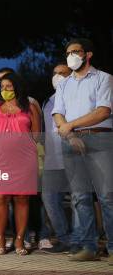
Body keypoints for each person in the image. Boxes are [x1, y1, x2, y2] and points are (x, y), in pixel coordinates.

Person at [52, 38, 112, 263]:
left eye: (75, 52)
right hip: (71, 141)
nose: (71, 56)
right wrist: (69, 133)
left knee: (107, 197)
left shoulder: (104, 78)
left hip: (100, 140)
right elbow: (58, 113)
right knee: (80, 197)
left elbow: (103, 112)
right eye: (68, 52)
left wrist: (70, 126)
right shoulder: (64, 84)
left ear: (88, 54)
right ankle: (89, 247)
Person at [0, 72, 40, 255]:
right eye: (2, 87)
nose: (5, 90)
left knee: (22, 199)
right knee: (1, 197)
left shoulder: (30, 107)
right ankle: (0, 238)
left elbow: (36, 136)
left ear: (17, 87)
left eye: (9, 86)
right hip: (1, 161)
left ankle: (19, 239)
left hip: (25, 160)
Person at [41, 62, 78, 254]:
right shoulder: (47, 101)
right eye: (55, 73)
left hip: (75, 158)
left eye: (62, 73)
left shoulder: (77, 98)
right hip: (52, 161)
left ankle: (82, 240)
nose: (58, 76)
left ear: (71, 74)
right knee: (49, 200)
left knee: (78, 201)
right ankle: (64, 239)